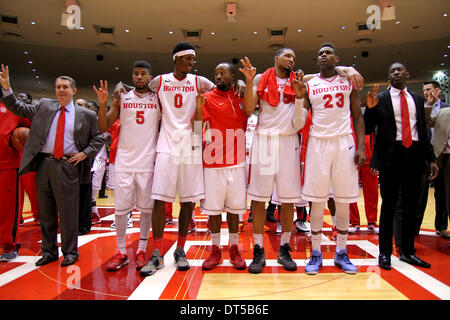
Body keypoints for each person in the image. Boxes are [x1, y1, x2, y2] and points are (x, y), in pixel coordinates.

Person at [0, 65, 104, 267]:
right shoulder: (45, 106)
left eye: (65, 87)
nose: (61, 90)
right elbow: (18, 108)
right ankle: (49, 252)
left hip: (67, 165)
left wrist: (84, 153)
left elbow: (98, 138)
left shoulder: (86, 115)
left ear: (73, 91)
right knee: (46, 213)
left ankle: (70, 252)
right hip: (44, 164)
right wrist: (7, 89)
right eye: (58, 87)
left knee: (68, 213)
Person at [139, 42, 215, 276]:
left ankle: (180, 250)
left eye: (193, 60)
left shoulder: (199, 82)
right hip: (166, 145)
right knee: (160, 201)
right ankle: (157, 253)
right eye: (188, 59)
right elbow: (141, 90)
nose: (192, 63)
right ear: (176, 59)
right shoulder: (159, 81)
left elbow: (223, 88)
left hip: (191, 144)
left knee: (188, 201)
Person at [365, 62, 438, 270]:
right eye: (392, 71)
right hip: (391, 156)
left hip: (415, 155)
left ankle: (408, 252)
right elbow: (369, 129)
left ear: (408, 74)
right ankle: (385, 253)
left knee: (411, 206)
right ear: (388, 76)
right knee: (388, 207)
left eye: (400, 70)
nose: (396, 72)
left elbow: (423, 133)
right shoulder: (380, 99)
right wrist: (369, 110)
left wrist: (431, 159)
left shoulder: (417, 99)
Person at [240, 51, 308, 273]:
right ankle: (258, 249)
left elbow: (299, 124)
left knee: (288, 199)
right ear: (276, 59)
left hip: (288, 142)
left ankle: (284, 248)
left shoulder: (297, 82)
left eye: (294, 58)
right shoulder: (260, 78)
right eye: (287, 56)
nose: (291, 60)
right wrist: (250, 81)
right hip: (265, 141)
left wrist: (299, 97)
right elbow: (249, 110)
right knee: (259, 198)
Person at [302, 43, 366, 275]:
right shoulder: (309, 83)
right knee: (316, 200)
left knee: (343, 199)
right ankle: (316, 252)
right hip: (318, 143)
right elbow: (301, 115)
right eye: (320, 53)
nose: (324, 55)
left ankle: (341, 251)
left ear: (336, 57)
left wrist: (361, 147)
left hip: (344, 142)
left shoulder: (348, 81)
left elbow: (358, 116)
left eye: (328, 52)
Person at [94, 60, 161, 271]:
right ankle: (121, 251)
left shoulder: (158, 98)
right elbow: (104, 126)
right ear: (132, 77)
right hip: (123, 161)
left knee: (146, 209)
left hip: (148, 162)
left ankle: (141, 249)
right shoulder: (121, 97)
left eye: (143, 74)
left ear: (150, 77)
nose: (139, 77)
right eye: (135, 74)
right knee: (121, 210)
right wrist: (104, 103)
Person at [196, 62, 248, 270]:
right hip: (213, 161)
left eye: (222, 73)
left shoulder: (243, 96)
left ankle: (233, 248)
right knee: (214, 210)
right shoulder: (207, 98)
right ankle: (215, 249)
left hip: (237, 162)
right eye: (216, 73)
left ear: (233, 76)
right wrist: (199, 108)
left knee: (235, 209)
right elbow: (197, 127)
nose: (218, 76)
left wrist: (246, 82)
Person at [423, 81, 449, 238]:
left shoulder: (447, 108)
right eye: (424, 90)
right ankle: (415, 228)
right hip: (428, 155)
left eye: (429, 89)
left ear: (437, 90)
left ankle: (441, 226)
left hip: (444, 155)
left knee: (444, 193)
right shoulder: (422, 108)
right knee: (424, 194)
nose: (427, 93)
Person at [16, 92, 40, 227]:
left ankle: (38, 216)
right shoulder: (12, 113)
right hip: (15, 153)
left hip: (31, 155)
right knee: (15, 191)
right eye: (18, 97)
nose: (20, 99)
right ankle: (17, 217)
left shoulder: (34, 114)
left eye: (23, 97)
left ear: (30, 100)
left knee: (33, 189)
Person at [349, 133, 379, 234]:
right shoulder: (348, 118)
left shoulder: (371, 118)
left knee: (372, 192)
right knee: (350, 192)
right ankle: (354, 222)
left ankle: (372, 222)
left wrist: (376, 160)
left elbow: (378, 138)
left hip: (369, 159)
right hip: (351, 159)